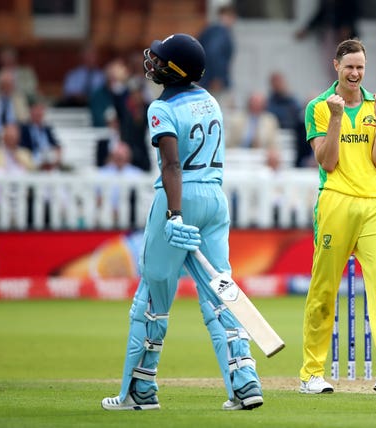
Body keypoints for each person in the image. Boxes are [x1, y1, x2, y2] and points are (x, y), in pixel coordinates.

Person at [101, 33, 264, 411]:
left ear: (174, 71)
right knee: (220, 293)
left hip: (180, 197)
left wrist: (174, 214)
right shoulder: (210, 100)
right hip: (214, 199)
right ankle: (245, 382)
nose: (152, 64)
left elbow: (172, 164)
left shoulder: (161, 109)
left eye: (159, 61)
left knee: (153, 297)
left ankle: (139, 391)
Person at [299, 38, 376, 396]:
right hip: (336, 201)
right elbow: (327, 161)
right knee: (324, 289)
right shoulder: (319, 107)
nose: (355, 73)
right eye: (349, 66)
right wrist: (337, 118)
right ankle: (311, 373)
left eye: (360, 67)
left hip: (374, 203)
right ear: (335, 66)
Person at [198, 4, 236, 107]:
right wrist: (216, 76)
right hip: (214, 81)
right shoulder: (220, 32)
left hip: (205, 78)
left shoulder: (209, 30)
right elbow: (213, 52)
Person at [19, 98, 62, 171]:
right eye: (36, 111)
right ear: (31, 112)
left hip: (48, 160)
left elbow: (56, 145)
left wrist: (57, 156)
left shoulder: (47, 129)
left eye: (40, 111)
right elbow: (22, 147)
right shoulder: (23, 128)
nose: (39, 113)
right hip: (32, 160)